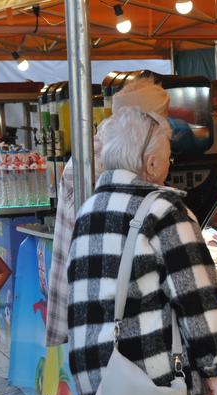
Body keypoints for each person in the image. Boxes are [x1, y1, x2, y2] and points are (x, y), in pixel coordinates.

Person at [67, 105, 217, 395]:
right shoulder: (165, 212)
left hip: (99, 380)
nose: (171, 165)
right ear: (151, 163)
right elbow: (197, 299)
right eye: (169, 157)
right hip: (151, 385)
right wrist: (214, 368)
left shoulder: (89, 210)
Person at [45, 77, 170, 347]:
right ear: (143, 121)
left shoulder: (97, 152)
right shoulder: (101, 164)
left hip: (92, 308)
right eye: (160, 122)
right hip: (106, 313)